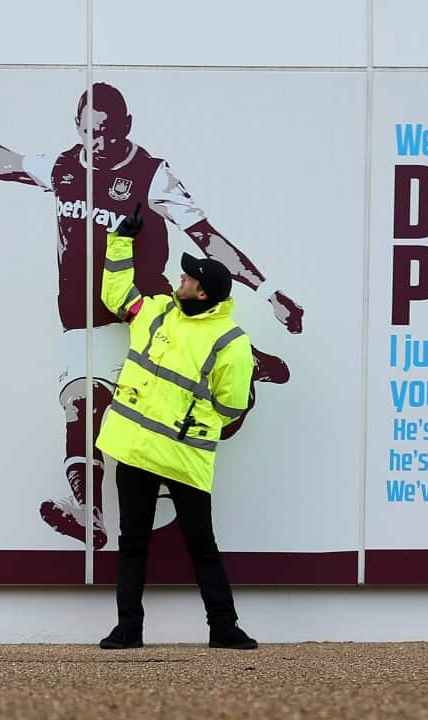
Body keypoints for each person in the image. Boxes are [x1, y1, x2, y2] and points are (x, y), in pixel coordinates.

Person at [0, 83, 302, 549]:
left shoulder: (152, 175)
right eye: (90, 132)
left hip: (137, 313)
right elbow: (2, 163)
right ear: (78, 128)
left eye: (108, 133)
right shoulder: (65, 167)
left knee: (174, 408)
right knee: (79, 407)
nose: (99, 142)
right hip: (80, 319)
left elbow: (206, 238)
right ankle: (88, 515)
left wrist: (269, 291)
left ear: (126, 127)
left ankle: (245, 361)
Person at [95, 204, 258, 650]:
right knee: (133, 543)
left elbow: (231, 405)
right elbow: (116, 296)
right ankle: (129, 627)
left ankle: (223, 627)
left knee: (201, 545)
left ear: (203, 294)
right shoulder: (157, 311)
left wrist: (187, 422)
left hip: (184, 455)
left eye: (187, 279)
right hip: (136, 448)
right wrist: (120, 240)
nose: (178, 280)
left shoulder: (230, 341)